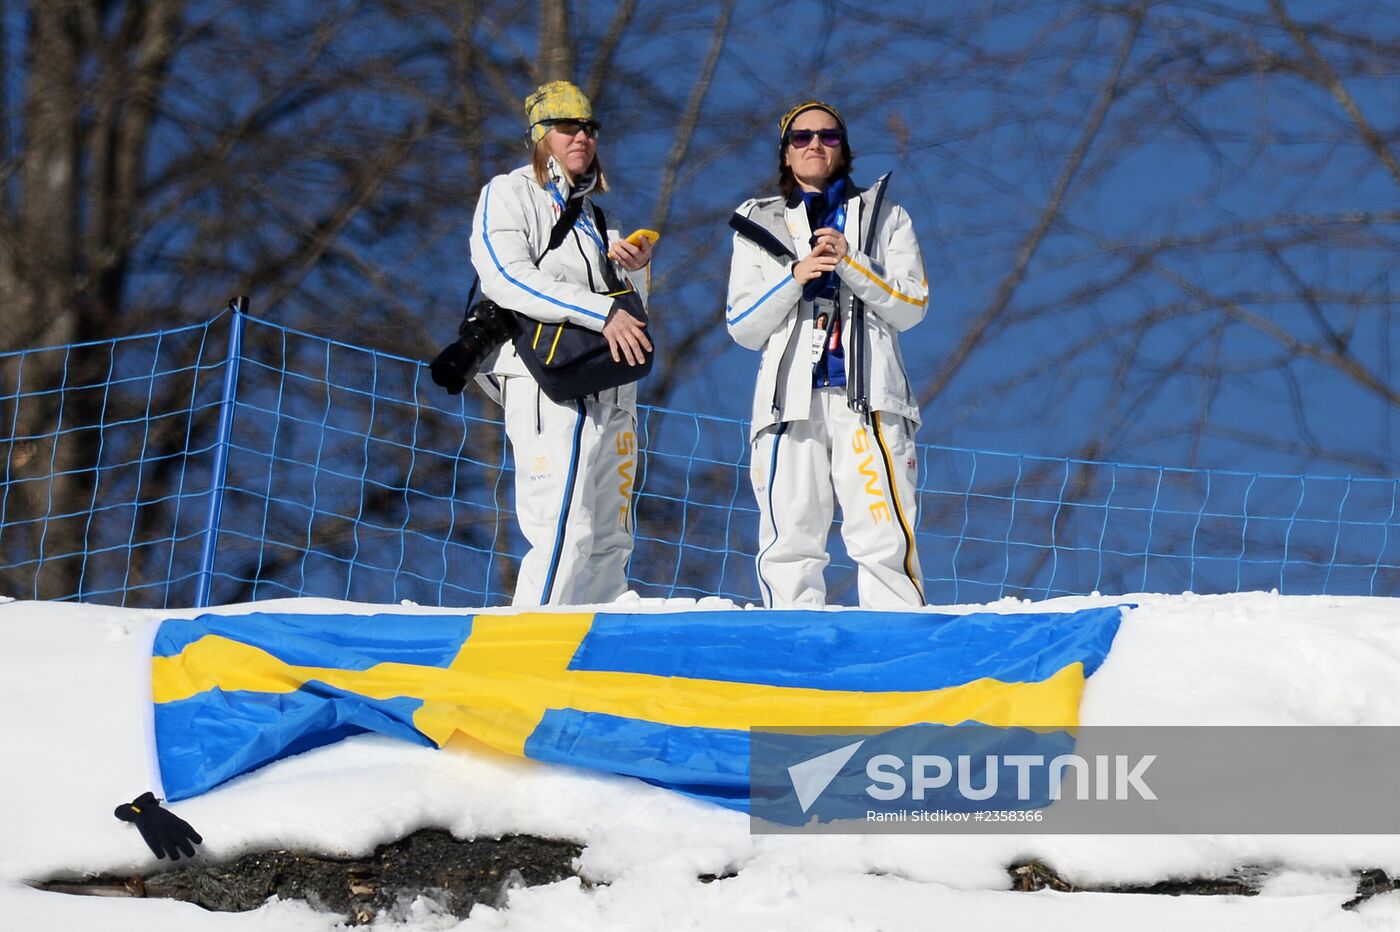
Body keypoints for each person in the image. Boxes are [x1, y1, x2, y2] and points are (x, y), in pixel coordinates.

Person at [725, 100, 928, 608]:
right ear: (786, 153)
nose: (815, 144)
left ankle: (897, 643)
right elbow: (742, 324)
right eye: (802, 137)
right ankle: (792, 649)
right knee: (789, 538)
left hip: (870, 398)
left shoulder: (885, 215)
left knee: (884, 536)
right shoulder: (757, 220)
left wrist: (851, 261)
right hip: (788, 403)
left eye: (828, 136)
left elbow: (913, 305)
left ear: (844, 149)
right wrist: (796, 278)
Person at [468, 80, 653, 606]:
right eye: (568, 127)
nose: (583, 137)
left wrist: (633, 276)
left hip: (613, 388)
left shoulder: (600, 219)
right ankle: (529, 659)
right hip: (546, 381)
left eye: (590, 128)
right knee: (563, 524)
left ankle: (594, 667)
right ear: (541, 136)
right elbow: (505, 277)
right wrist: (603, 311)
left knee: (610, 540)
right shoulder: (509, 193)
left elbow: (631, 314)